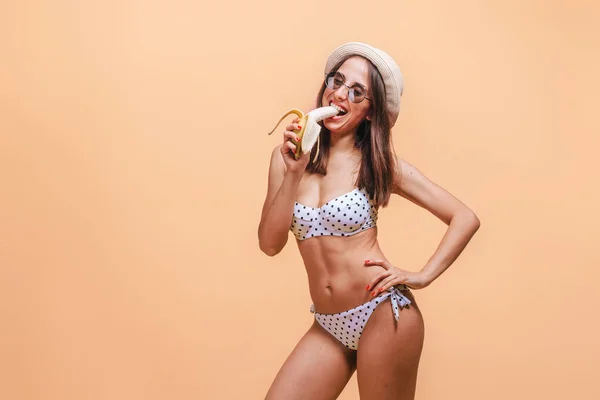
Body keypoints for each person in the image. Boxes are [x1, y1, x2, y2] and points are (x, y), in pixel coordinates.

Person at [258, 42, 480, 400]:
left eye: (357, 92)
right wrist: (293, 173)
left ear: (371, 113)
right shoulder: (285, 158)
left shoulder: (377, 164)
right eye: (337, 80)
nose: (340, 94)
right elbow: (270, 244)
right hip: (328, 324)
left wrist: (421, 275)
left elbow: (464, 217)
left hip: (383, 314)